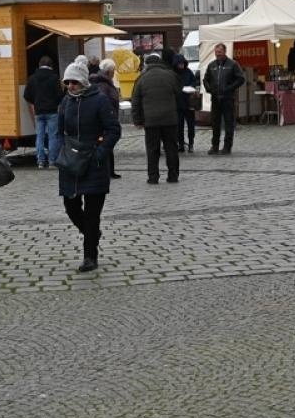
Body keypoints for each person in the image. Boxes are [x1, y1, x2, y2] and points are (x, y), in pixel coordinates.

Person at [56, 57, 121, 272]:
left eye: (74, 82)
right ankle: (92, 233)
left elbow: (113, 129)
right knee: (71, 206)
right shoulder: (65, 102)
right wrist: (58, 152)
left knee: (93, 212)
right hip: (70, 161)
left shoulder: (99, 100)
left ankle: (90, 255)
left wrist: (101, 152)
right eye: (67, 82)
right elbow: (58, 131)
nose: (70, 86)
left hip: (93, 160)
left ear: (83, 82)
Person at [131, 51, 182, 184]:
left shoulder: (141, 79)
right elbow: (178, 93)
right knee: (171, 148)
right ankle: (173, 175)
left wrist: (137, 120)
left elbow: (135, 101)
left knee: (152, 150)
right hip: (170, 119)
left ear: (146, 64)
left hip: (151, 121)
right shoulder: (171, 75)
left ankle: (153, 177)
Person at [202, 43, 246, 154]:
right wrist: (209, 89)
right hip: (215, 99)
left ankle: (227, 147)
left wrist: (230, 88)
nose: (218, 54)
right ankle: (215, 146)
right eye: (216, 52)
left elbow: (241, 79)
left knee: (228, 123)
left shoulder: (233, 64)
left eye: (220, 52)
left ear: (224, 51)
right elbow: (205, 79)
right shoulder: (211, 65)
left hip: (228, 98)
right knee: (215, 123)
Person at [22, 56, 63, 169]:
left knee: (39, 136)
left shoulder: (32, 78)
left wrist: (34, 103)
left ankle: (40, 161)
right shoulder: (54, 78)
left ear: (39, 65)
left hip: (38, 112)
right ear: (51, 65)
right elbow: (60, 95)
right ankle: (52, 161)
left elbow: (26, 95)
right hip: (52, 111)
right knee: (52, 136)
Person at [171, 54, 199, 152]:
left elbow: (195, 81)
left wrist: (191, 86)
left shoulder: (188, 72)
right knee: (179, 126)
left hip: (189, 102)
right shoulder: (173, 73)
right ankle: (181, 144)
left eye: (183, 63)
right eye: (179, 64)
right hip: (178, 103)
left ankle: (191, 143)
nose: (181, 66)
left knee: (191, 125)